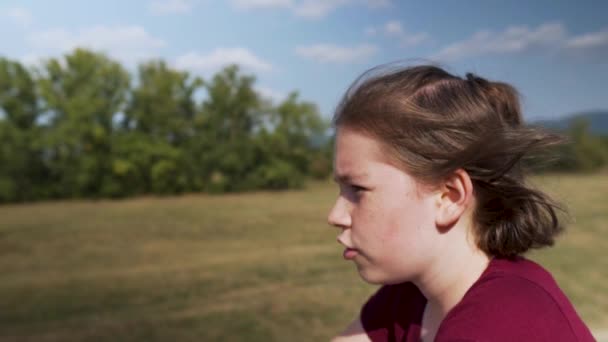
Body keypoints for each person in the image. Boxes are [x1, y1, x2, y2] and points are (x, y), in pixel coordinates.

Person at [327, 64, 595, 342]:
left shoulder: (506, 321)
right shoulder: (408, 299)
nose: (335, 215)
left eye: (358, 189)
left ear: (449, 196)